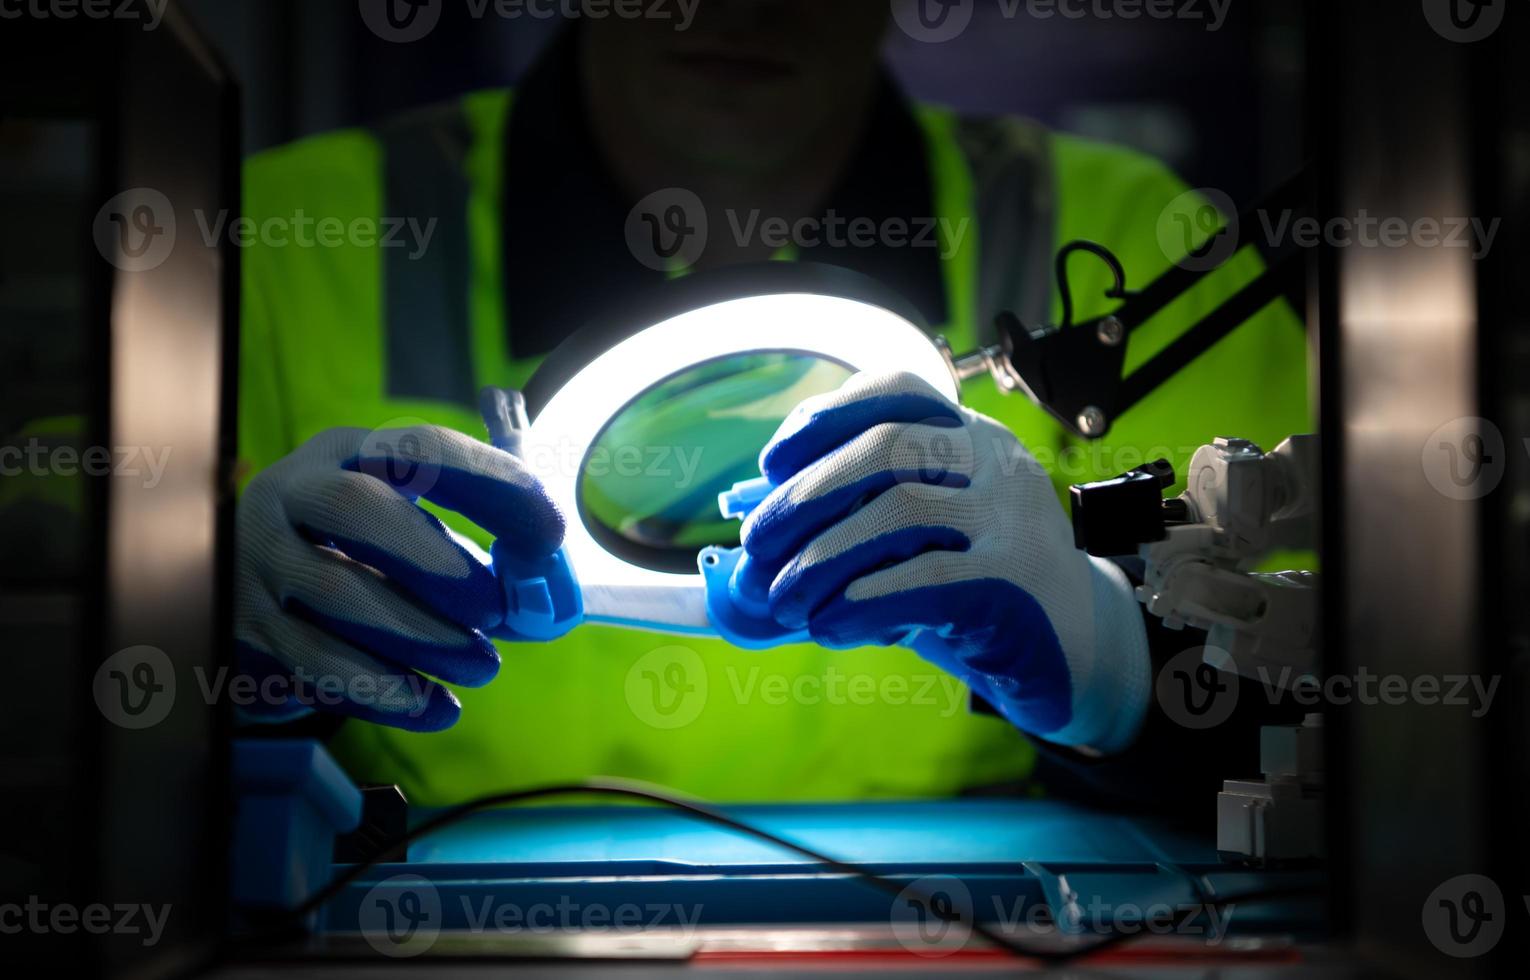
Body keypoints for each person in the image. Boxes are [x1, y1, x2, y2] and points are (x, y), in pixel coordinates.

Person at [235, 2, 1309, 809]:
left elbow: (1356, 689)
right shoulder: (286, 235)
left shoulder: (1130, 246)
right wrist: (201, 600)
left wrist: (1113, 659)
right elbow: (73, 604)